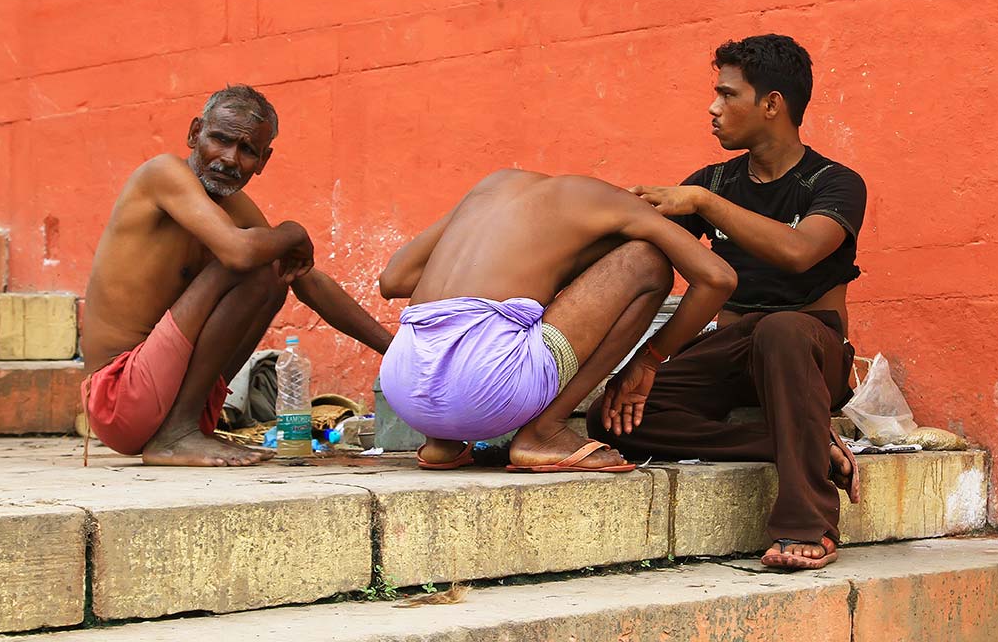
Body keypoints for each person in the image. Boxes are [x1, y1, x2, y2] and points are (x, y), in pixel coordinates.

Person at [587, 34, 867, 569]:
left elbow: (800, 251)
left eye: (727, 95)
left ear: (771, 104)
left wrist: (703, 203)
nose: (713, 109)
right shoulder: (713, 182)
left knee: (782, 328)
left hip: (811, 350)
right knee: (612, 416)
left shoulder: (835, 183)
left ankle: (806, 523)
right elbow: (629, 232)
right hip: (732, 348)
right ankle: (801, 444)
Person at [81, 85, 393, 467]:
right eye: (220, 139)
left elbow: (307, 280)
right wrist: (292, 231)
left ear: (264, 160)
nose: (229, 159)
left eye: (247, 150)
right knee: (256, 263)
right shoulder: (163, 174)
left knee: (272, 271)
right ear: (195, 133)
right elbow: (240, 252)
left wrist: (399, 354)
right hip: (120, 396)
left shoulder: (234, 210)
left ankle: (184, 428)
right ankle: (177, 436)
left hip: (172, 399)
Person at [377, 169, 737, 472]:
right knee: (648, 261)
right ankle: (545, 431)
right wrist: (649, 359)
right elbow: (718, 278)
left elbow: (394, 280)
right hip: (486, 387)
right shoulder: (619, 203)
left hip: (405, 385)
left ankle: (442, 443)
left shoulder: (493, 186)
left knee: (473, 314)